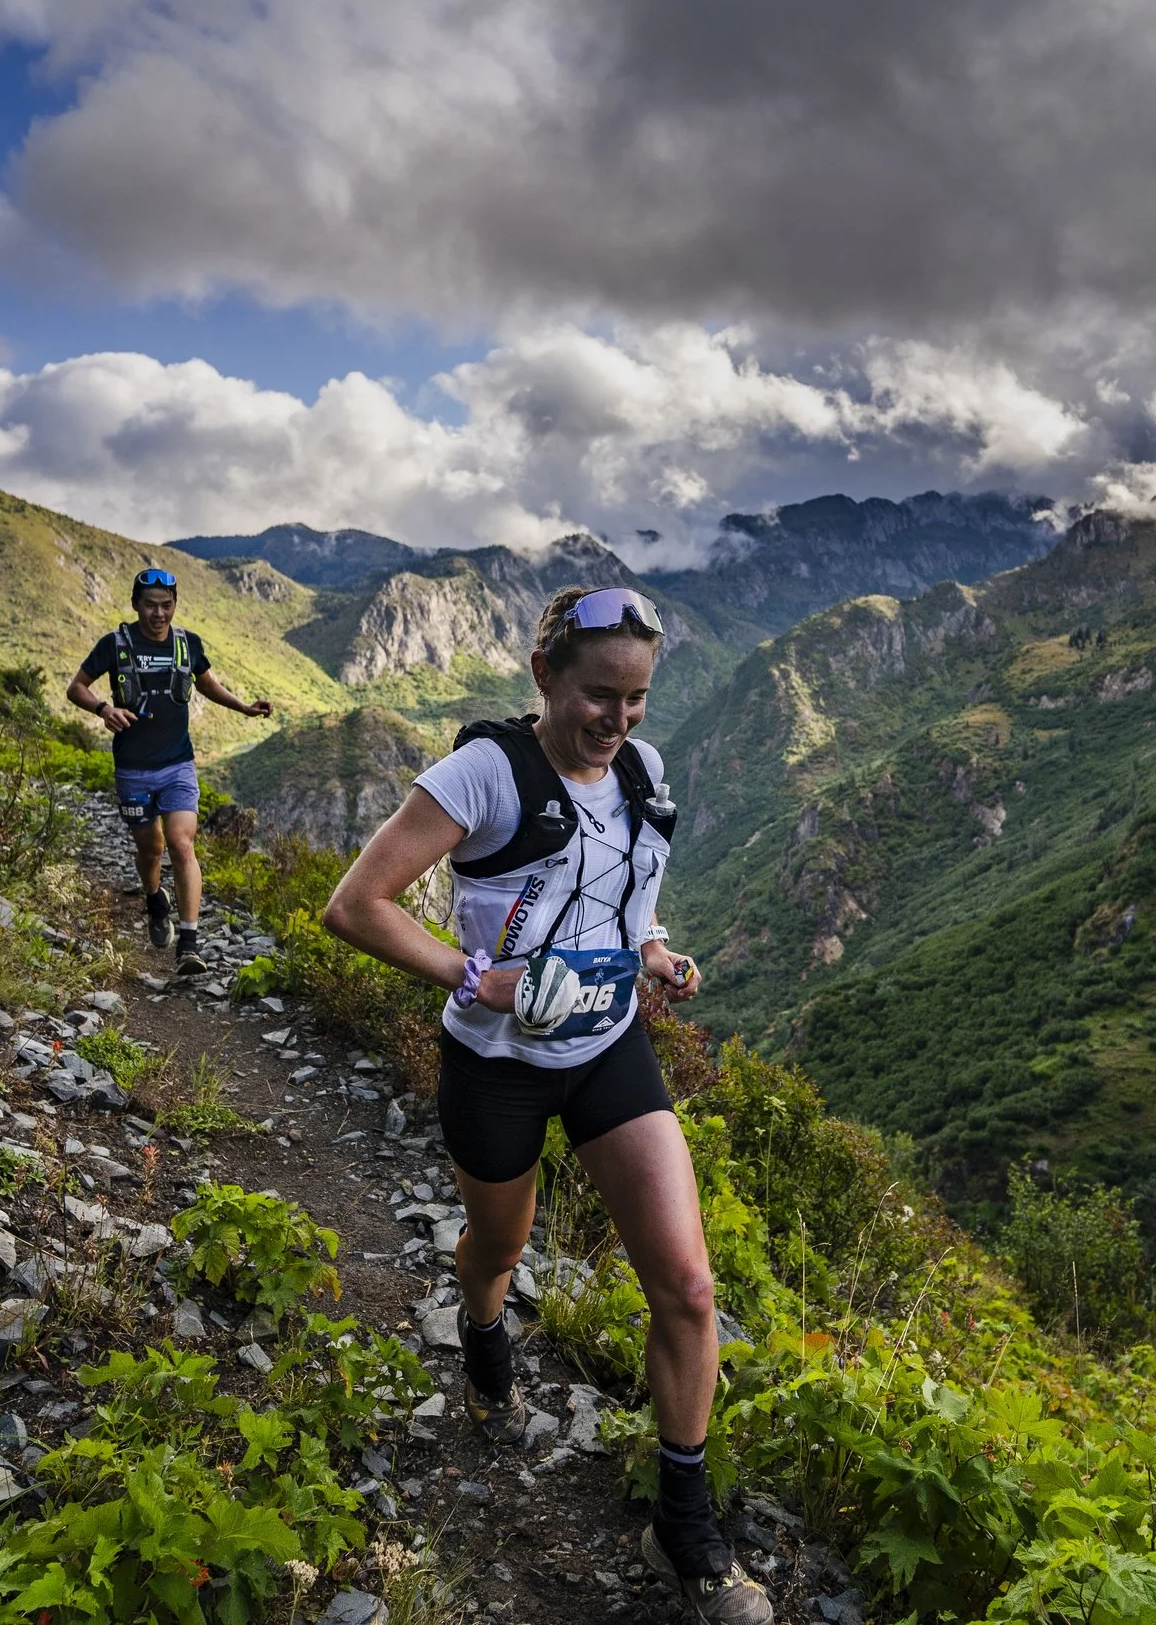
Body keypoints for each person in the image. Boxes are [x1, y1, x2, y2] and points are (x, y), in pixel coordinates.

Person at [320, 585, 770, 1625]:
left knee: (690, 1289)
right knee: (496, 1248)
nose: (617, 722)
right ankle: (483, 1334)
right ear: (544, 679)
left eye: (638, 699)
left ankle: (686, 1526)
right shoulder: (485, 771)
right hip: (499, 1064)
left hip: (608, 1046)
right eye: (598, 697)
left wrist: (658, 953)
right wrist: (472, 973)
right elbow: (355, 905)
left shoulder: (645, 774)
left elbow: (629, 901)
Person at [66, 566, 271, 974]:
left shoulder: (187, 644)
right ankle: (154, 896)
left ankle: (189, 944)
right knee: (151, 848)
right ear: (135, 605)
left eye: (166, 605)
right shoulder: (115, 644)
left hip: (178, 764)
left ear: (175, 605)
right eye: (150, 606)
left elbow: (208, 686)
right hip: (133, 770)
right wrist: (103, 709)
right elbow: (76, 687)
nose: (158, 614)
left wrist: (245, 708)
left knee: (180, 844)